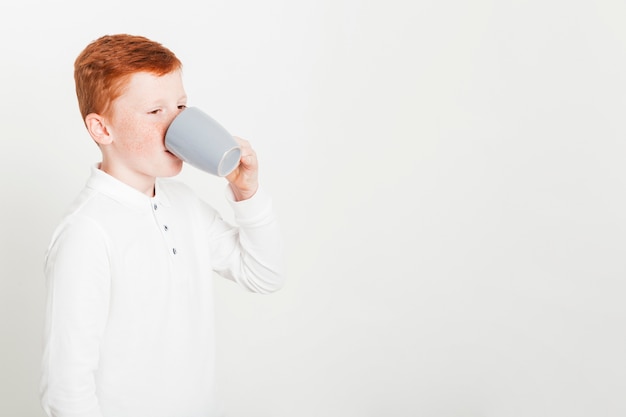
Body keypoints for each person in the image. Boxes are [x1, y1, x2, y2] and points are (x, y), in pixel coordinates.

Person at [40, 34, 284, 417]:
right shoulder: (87, 232)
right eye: (155, 111)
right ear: (102, 129)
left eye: (181, 106)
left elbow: (263, 275)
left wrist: (247, 193)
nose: (175, 123)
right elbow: (67, 390)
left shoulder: (182, 204)